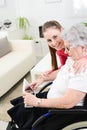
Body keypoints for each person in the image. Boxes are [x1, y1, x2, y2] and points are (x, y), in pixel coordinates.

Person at [7, 23, 87, 130]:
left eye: (68, 48)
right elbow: (61, 72)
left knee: (25, 112)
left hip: (59, 112)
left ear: (83, 48)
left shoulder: (82, 69)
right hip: (51, 100)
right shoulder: (75, 58)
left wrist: (37, 102)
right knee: (22, 103)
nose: (66, 52)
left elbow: (68, 102)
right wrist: (42, 79)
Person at [29, 20, 87, 90]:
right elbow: (64, 67)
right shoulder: (60, 52)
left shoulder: (75, 40)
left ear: (62, 30)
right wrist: (45, 76)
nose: (53, 43)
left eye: (55, 37)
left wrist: (85, 59)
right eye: (49, 40)